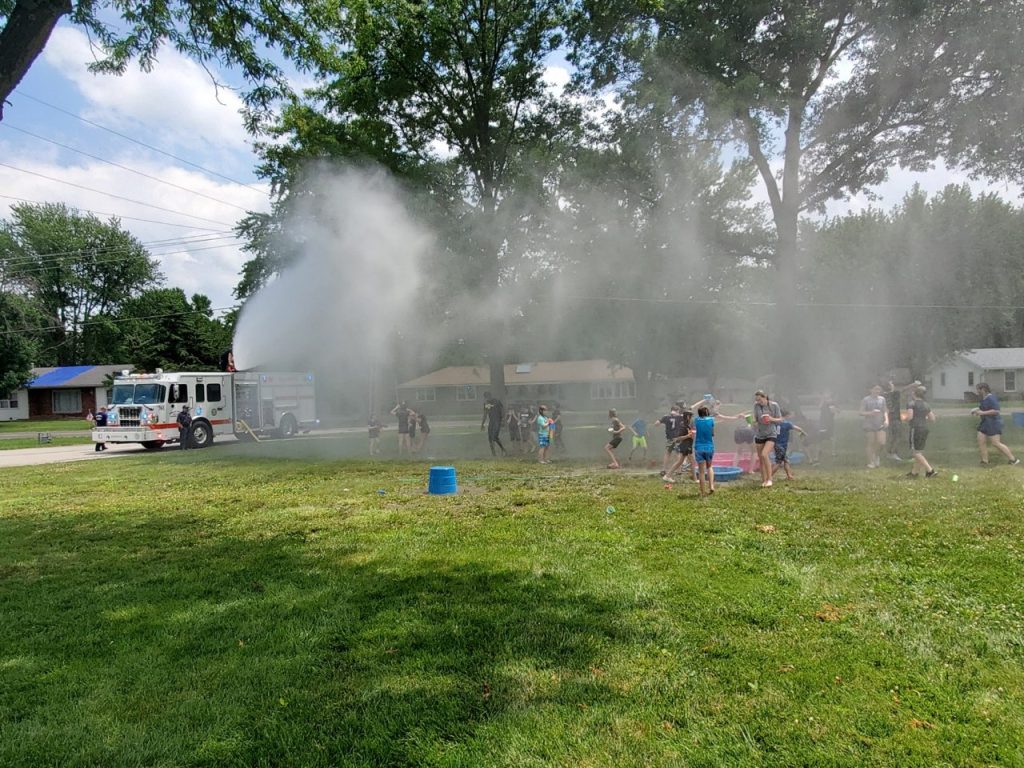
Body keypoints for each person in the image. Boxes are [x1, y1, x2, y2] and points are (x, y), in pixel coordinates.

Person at [972, 382, 1020, 466]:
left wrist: (982, 413)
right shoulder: (984, 398)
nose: (977, 391)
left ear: (983, 389)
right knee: (980, 441)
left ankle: (1013, 460)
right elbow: (984, 408)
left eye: (978, 389)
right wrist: (976, 411)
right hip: (985, 423)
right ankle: (985, 461)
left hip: (993, 423)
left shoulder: (991, 398)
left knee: (995, 443)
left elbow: (996, 411)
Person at [906, 386, 938, 478]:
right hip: (924, 428)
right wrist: (923, 417)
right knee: (919, 451)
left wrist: (905, 418)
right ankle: (914, 472)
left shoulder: (911, 403)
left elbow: (910, 417)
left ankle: (930, 471)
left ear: (914, 394)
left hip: (915, 428)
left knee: (916, 453)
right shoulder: (926, 405)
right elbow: (932, 419)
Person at [883, 380, 919, 460]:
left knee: (892, 436)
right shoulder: (894, 394)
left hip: (887, 418)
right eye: (892, 384)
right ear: (890, 386)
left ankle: (889, 452)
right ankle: (893, 453)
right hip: (895, 418)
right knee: (898, 436)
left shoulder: (884, 395)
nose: (893, 385)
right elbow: (903, 389)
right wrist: (913, 384)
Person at [753, 390, 782, 487]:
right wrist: (752, 422)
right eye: (756, 400)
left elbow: (780, 419)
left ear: (765, 397)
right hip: (760, 434)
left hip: (771, 433)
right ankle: (764, 480)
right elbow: (755, 420)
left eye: (760, 399)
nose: (758, 402)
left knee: (764, 454)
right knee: (761, 458)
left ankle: (770, 479)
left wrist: (771, 419)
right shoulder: (756, 406)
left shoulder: (774, 405)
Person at [859, 385, 888, 468]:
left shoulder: (882, 399)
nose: (877, 391)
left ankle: (876, 455)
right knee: (870, 442)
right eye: (875, 389)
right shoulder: (866, 399)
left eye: (879, 389)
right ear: (870, 390)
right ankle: (871, 462)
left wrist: (886, 420)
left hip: (880, 423)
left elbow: (885, 410)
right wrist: (870, 413)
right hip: (869, 424)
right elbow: (860, 412)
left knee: (881, 442)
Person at [774, 409, 807, 481]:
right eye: (789, 415)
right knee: (778, 462)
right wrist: (803, 432)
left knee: (786, 460)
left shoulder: (775, 423)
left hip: (776, 444)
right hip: (781, 445)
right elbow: (797, 428)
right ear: (786, 415)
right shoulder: (787, 423)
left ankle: (789, 476)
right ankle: (769, 476)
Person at [654, 404, 684, 477]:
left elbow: (656, 423)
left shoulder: (666, 417)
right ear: (677, 411)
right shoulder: (680, 417)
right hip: (677, 438)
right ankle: (679, 470)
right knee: (677, 454)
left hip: (670, 438)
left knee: (668, 453)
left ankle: (663, 469)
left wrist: (659, 421)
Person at [693, 405, 716, 497]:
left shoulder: (696, 420)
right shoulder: (711, 420)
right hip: (709, 447)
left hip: (699, 447)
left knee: (701, 471)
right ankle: (711, 486)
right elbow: (713, 433)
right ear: (707, 412)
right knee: (709, 467)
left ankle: (702, 492)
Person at [480, 391, 507, 457]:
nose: (487, 399)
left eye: (487, 397)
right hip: (491, 422)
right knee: (490, 438)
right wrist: (482, 424)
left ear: (490, 396)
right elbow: (485, 414)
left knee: (494, 437)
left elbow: (503, 411)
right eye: (486, 398)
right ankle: (493, 454)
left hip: (497, 421)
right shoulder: (486, 403)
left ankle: (503, 450)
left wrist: (503, 420)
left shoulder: (497, 401)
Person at [816, 391, 840, 460]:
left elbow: (838, 411)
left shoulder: (833, 402)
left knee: (832, 437)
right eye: (825, 395)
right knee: (820, 437)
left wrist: (835, 410)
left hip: (830, 422)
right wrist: (823, 400)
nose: (826, 397)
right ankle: (819, 450)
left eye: (828, 396)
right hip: (822, 422)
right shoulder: (822, 402)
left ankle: (833, 451)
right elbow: (819, 407)